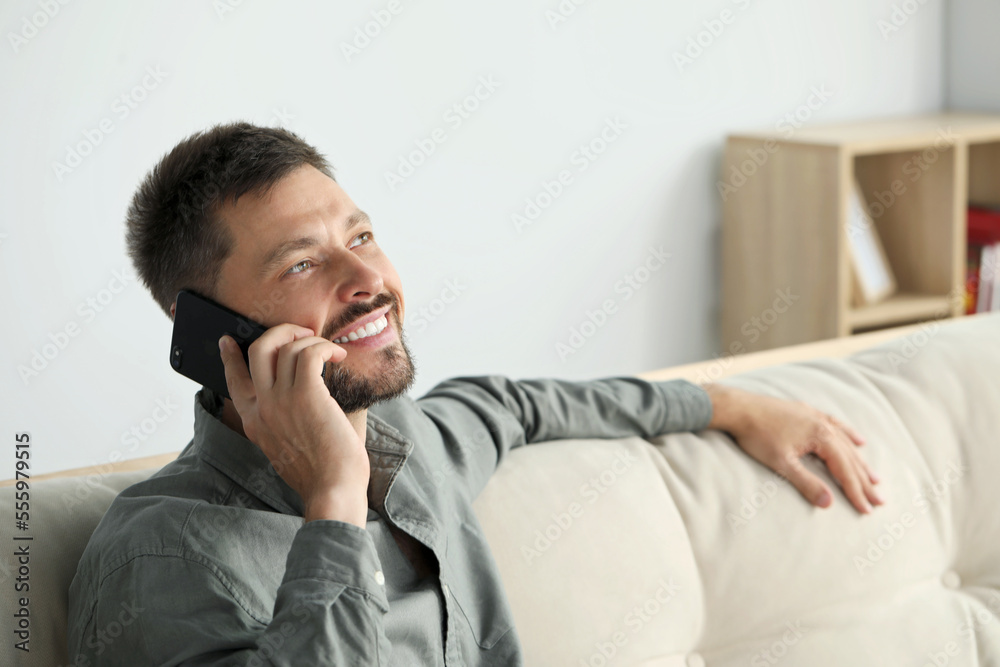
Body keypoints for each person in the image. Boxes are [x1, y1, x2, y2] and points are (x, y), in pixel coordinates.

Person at [67, 122, 883, 665]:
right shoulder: (160, 557)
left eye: (361, 237)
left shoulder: (413, 440)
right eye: (303, 263)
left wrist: (735, 405)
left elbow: (524, 406)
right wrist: (334, 499)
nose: (370, 283)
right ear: (207, 326)